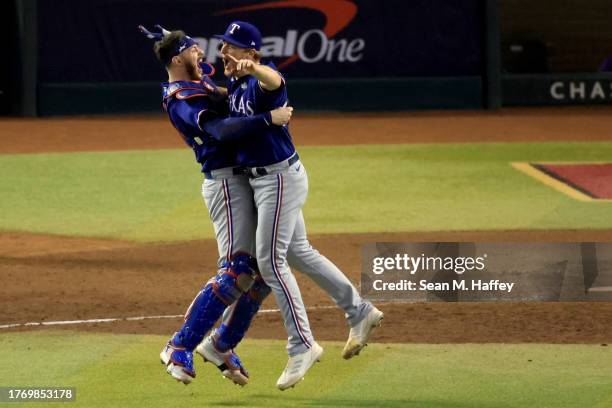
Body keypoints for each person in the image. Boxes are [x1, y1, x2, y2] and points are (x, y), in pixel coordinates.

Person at [209, 21, 384, 390]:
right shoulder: (238, 84)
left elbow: (275, 81)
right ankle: (360, 311)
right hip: (264, 180)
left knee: (270, 259)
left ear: (252, 52)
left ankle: (302, 344)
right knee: (300, 252)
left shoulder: (260, 78)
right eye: (223, 45)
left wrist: (255, 67)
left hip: (278, 179)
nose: (223, 52)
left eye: (231, 47)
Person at [139, 24, 292, 386]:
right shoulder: (181, 98)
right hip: (224, 182)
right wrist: (267, 119)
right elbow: (220, 131)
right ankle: (180, 346)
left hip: (242, 179)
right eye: (194, 50)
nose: (202, 54)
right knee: (238, 270)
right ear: (179, 58)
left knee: (264, 270)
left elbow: (226, 94)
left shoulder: (197, 83)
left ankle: (222, 344)